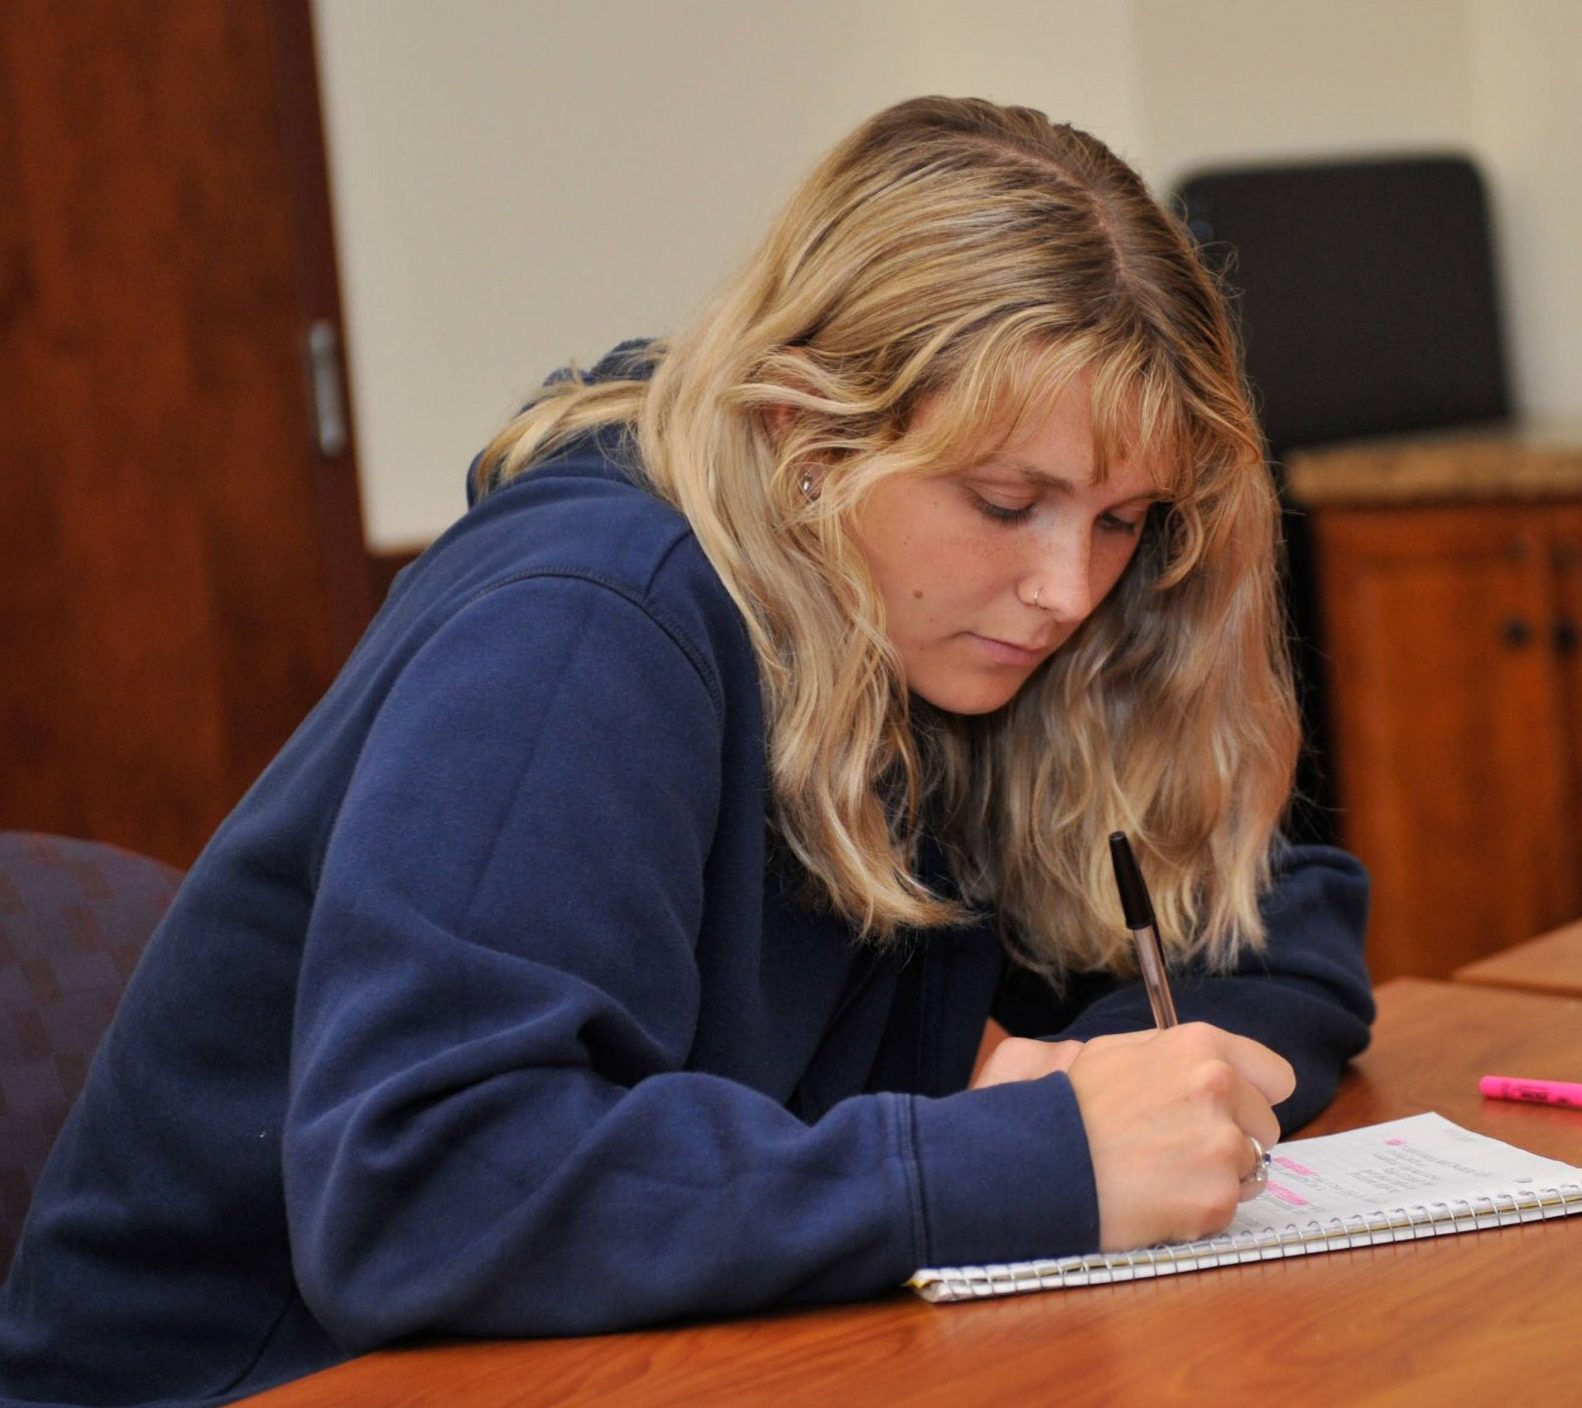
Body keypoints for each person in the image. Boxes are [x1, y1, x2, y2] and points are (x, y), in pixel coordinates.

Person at [0, 96, 1372, 1406]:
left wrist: (1124, 1086)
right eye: (1008, 501)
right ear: (804, 436)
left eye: (1125, 519)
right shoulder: (592, 623)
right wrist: (1015, 1159)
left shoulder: (943, 635)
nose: (1070, 589)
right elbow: (427, 1188)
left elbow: (1277, 911)